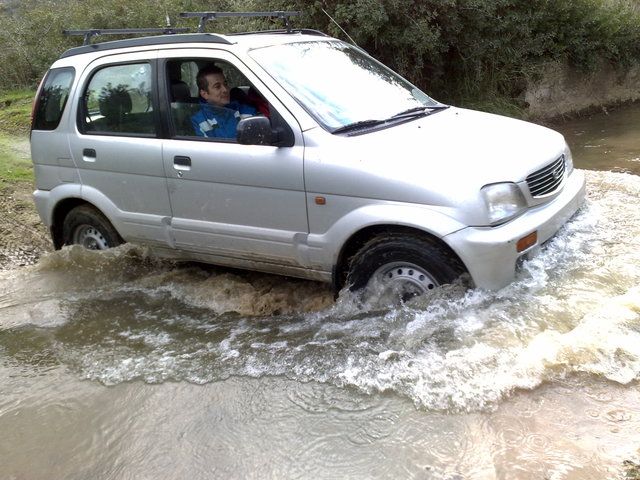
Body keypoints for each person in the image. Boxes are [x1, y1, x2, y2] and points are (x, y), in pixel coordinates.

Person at [191, 64, 257, 139]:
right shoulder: (199, 121)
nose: (225, 90)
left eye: (225, 84)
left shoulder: (243, 110)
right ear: (204, 94)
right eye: (217, 86)